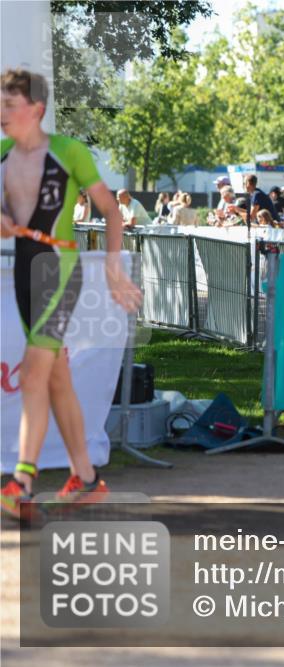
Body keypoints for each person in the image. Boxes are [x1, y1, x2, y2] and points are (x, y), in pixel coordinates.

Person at [1, 68, 141, 519]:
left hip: (57, 268)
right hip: (24, 267)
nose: (2, 113)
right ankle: (86, 476)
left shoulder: (68, 151)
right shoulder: (2, 154)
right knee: (57, 376)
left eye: (10, 104)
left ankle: (22, 481)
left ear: (36, 109)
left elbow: (111, 211)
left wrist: (115, 267)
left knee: (37, 373)